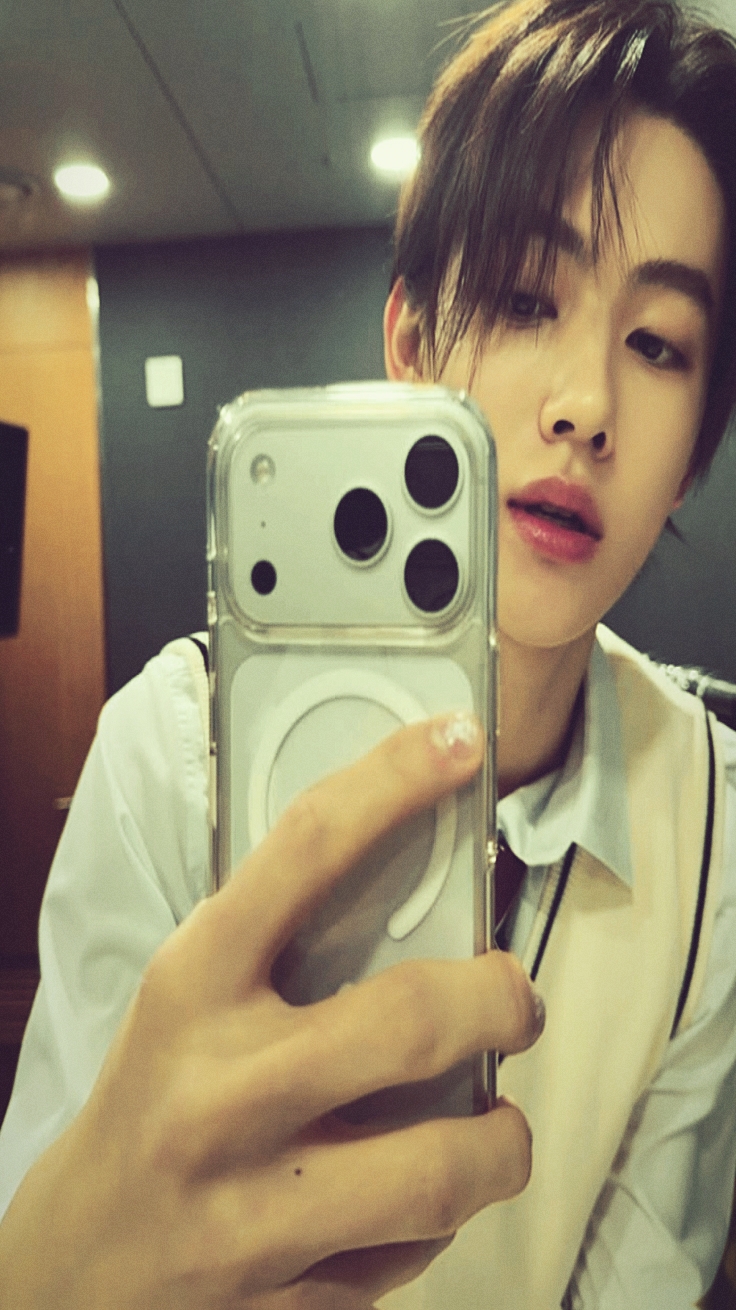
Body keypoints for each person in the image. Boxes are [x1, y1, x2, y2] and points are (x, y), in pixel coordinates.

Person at [2, 0, 736, 1306]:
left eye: (658, 344)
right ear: (409, 349)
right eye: (525, 296)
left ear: (696, 453)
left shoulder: (720, 827)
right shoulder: (172, 750)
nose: (587, 405)